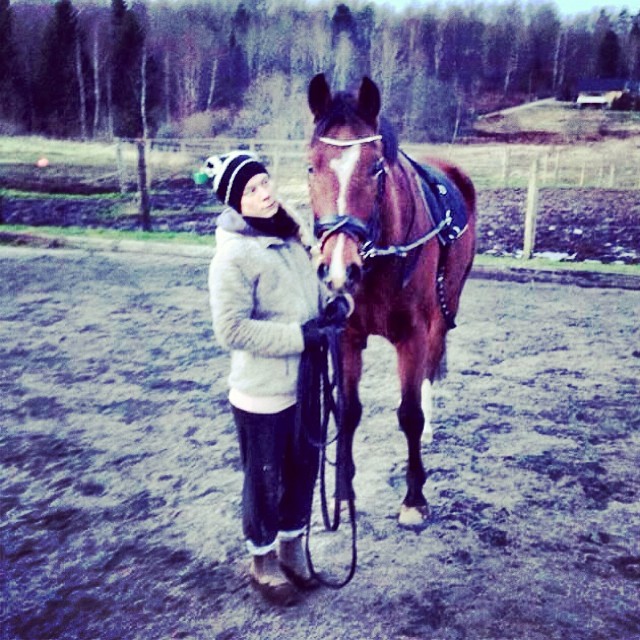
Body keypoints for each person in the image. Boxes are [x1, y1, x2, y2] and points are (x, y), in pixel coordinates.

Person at [204, 150, 324, 606]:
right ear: (236, 202)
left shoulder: (291, 237)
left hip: (305, 385)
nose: (265, 193)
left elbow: (311, 294)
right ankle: (262, 561)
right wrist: (299, 337)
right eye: (252, 189)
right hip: (263, 393)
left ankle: (291, 551)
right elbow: (230, 330)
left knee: (303, 471)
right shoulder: (233, 256)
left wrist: (336, 306)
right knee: (265, 479)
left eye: (265, 182)